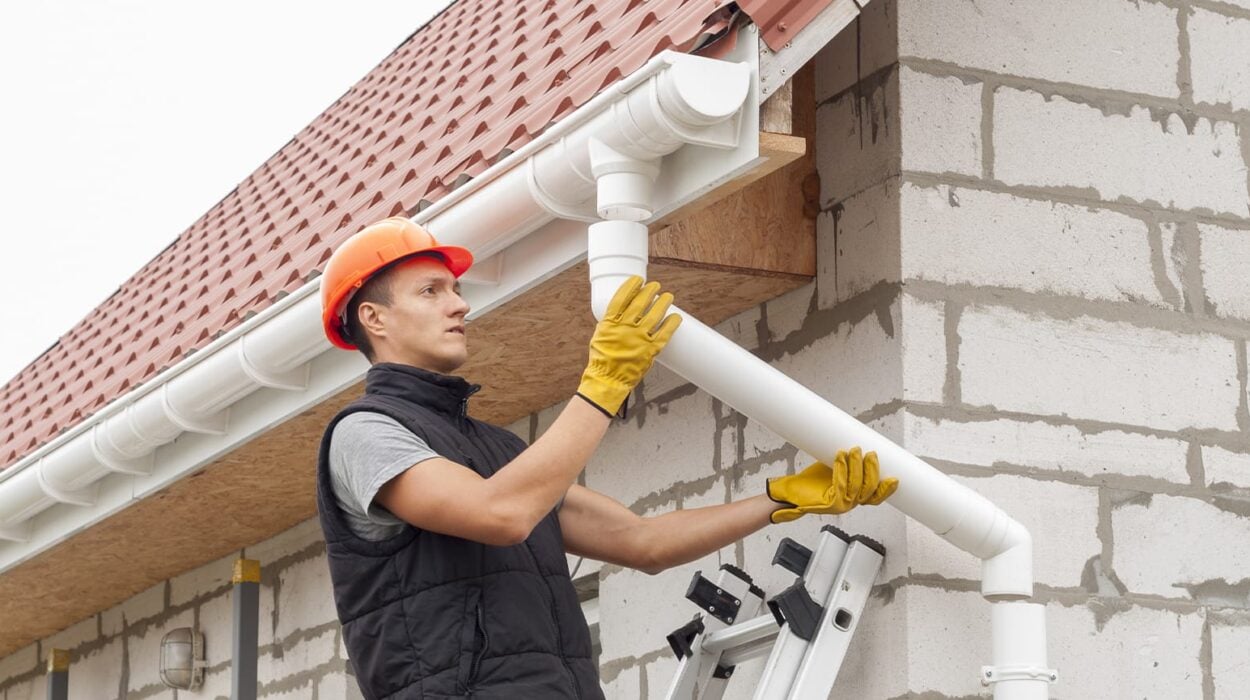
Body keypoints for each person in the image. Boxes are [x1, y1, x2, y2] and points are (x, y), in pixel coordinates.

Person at [315, 217, 899, 700]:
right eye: (431, 291)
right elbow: (501, 515)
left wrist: (780, 499)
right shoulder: (366, 435)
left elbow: (642, 543)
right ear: (375, 318)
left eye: (456, 289)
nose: (459, 305)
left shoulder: (499, 451)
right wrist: (604, 384)